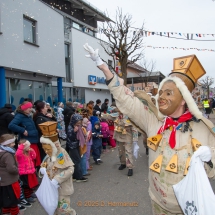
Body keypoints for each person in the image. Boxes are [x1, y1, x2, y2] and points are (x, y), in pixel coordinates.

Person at [84, 44, 215, 214]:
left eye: (169, 93)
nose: (161, 97)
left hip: (188, 209)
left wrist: (210, 159)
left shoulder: (204, 129)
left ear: (184, 100)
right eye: (161, 92)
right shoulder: (153, 121)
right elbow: (125, 99)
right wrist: (103, 66)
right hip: (157, 203)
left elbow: (211, 173)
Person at [39, 125, 76, 215]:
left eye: (47, 149)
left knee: (64, 210)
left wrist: (57, 179)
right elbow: (44, 167)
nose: (46, 151)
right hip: (51, 189)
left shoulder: (61, 153)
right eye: (44, 149)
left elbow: (71, 169)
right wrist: (41, 171)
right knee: (54, 209)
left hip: (62, 188)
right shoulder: (48, 155)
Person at [8, 101, 40, 167]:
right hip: (27, 142)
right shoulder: (20, 116)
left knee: (34, 159)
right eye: (29, 108)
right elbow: (11, 125)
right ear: (24, 108)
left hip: (32, 140)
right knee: (29, 161)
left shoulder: (28, 116)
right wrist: (22, 130)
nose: (31, 109)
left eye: (31, 107)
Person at [0, 134, 20, 215]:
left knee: (6, 199)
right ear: (7, 144)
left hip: (3, 181)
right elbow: (11, 168)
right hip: (10, 181)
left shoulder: (1, 151)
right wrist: (17, 170)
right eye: (12, 143)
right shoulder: (8, 154)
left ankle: (5, 212)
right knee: (13, 200)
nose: (14, 144)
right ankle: (15, 213)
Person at [67, 114, 88, 182]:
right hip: (72, 146)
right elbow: (71, 138)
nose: (79, 122)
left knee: (77, 160)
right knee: (77, 161)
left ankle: (77, 175)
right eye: (78, 121)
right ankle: (79, 177)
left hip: (76, 145)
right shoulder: (70, 127)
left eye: (80, 121)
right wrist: (74, 132)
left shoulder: (77, 126)